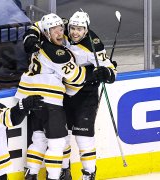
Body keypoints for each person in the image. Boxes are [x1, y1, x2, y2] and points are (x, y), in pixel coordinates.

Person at [23, 11, 117, 180]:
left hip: (85, 94)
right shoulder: (61, 28)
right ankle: (63, 171)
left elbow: (110, 68)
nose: (74, 32)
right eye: (72, 28)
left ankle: (89, 173)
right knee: (62, 136)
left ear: (86, 30)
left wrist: (107, 73)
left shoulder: (94, 45)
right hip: (64, 92)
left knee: (83, 137)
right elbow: (40, 24)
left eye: (80, 29)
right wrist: (31, 34)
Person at [15, 13, 92, 180]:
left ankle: (32, 174)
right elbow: (76, 79)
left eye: (60, 28)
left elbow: (36, 25)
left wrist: (30, 33)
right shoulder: (58, 54)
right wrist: (91, 71)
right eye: (54, 29)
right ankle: (54, 177)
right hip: (50, 103)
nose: (59, 33)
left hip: (31, 100)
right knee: (58, 144)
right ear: (46, 32)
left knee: (38, 139)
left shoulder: (40, 45)